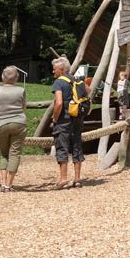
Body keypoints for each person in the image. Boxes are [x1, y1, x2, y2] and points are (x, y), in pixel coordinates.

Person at [0, 65, 27, 193]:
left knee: (4, 153)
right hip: (19, 123)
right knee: (15, 153)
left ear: (2, 77)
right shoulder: (21, 90)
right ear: (17, 78)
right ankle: (9, 184)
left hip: (1, 124)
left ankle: (2, 182)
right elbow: (23, 107)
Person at [51, 57, 85, 188]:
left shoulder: (59, 82)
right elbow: (88, 91)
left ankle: (64, 179)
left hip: (64, 119)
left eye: (54, 69)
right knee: (77, 145)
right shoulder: (76, 80)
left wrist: (55, 118)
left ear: (60, 70)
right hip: (77, 118)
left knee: (62, 146)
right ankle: (77, 179)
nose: (53, 72)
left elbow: (58, 102)